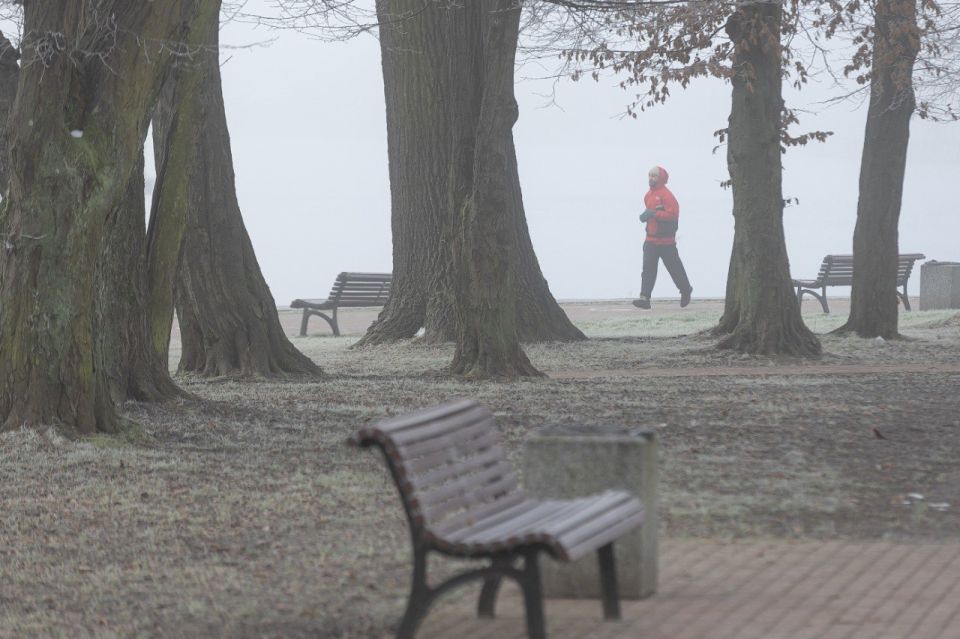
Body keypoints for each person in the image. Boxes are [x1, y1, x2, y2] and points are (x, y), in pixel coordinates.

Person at [633, 165, 692, 309]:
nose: (651, 179)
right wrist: (646, 216)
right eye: (650, 176)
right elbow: (651, 213)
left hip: (666, 242)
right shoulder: (648, 195)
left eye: (654, 176)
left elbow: (673, 216)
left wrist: (654, 214)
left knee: (674, 268)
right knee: (648, 270)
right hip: (650, 241)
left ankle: (685, 290)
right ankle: (645, 298)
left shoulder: (667, 196)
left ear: (660, 179)